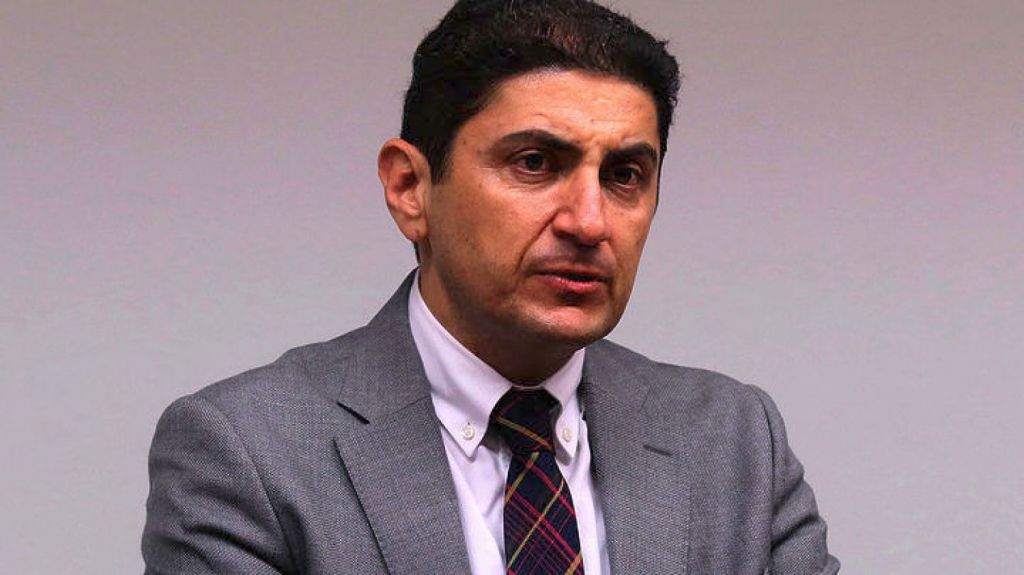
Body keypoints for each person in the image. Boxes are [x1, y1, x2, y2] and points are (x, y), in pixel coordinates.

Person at [142, 1, 840, 573]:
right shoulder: (249, 451)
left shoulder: (734, 441)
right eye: (534, 162)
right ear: (410, 188)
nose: (589, 221)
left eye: (624, 175)